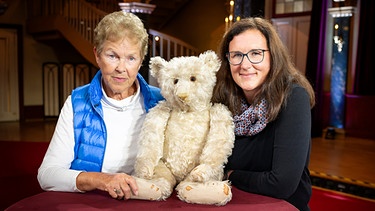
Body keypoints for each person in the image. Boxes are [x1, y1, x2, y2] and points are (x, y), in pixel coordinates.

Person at [37, 11, 163, 200]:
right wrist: (102, 180)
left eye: (131, 58)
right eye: (112, 56)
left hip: (146, 200)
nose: (121, 68)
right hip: (94, 201)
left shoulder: (161, 102)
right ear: (97, 54)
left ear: (141, 60)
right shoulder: (77, 102)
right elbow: (47, 175)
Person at [212, 17, 315, 211]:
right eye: (236, 55)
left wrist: (231, 175)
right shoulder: (222, 101)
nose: (245, 64)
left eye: (256, 53)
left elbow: (281, 184)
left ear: (273, 56)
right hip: (235, 205)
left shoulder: (293, 97)